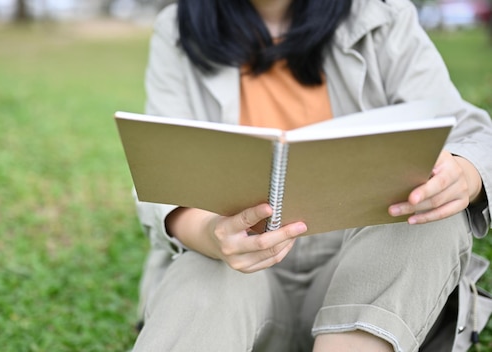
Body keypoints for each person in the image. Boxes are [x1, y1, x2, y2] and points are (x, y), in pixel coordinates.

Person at [130, 0, 492, 351]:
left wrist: (464, 174)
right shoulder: (178, 28)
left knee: (431, 212)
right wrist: (211, 235)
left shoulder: (381, 16)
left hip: (362, 270)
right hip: (243, 272)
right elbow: (164, 168)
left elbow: (471, 135)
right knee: (205, 268)